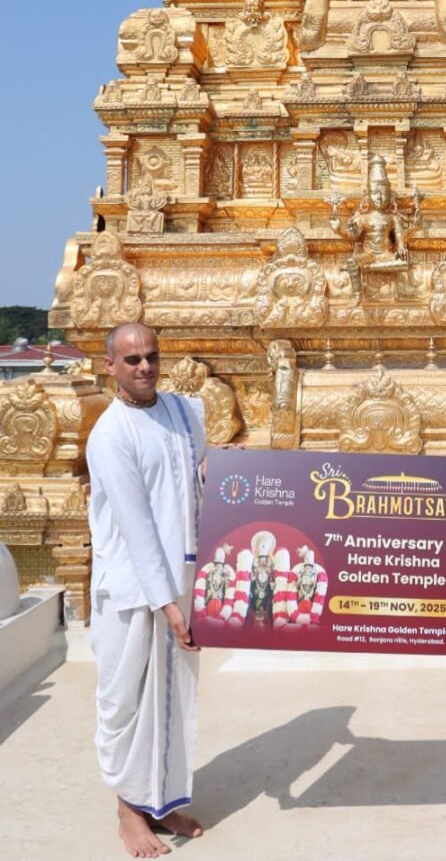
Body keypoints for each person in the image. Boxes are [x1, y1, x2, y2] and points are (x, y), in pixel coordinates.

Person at [87, 324, 206, 858]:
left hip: (180, 578)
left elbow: (199, 471)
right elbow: (136, 526)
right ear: (110, 365)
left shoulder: (184, 412)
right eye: (131, 359)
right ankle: (127, 812)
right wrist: (167, 605)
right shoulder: (111, 434)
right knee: (129, 701)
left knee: (173, 699)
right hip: (134, 589)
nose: (144, 367)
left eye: (151, 357)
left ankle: (160, 802)